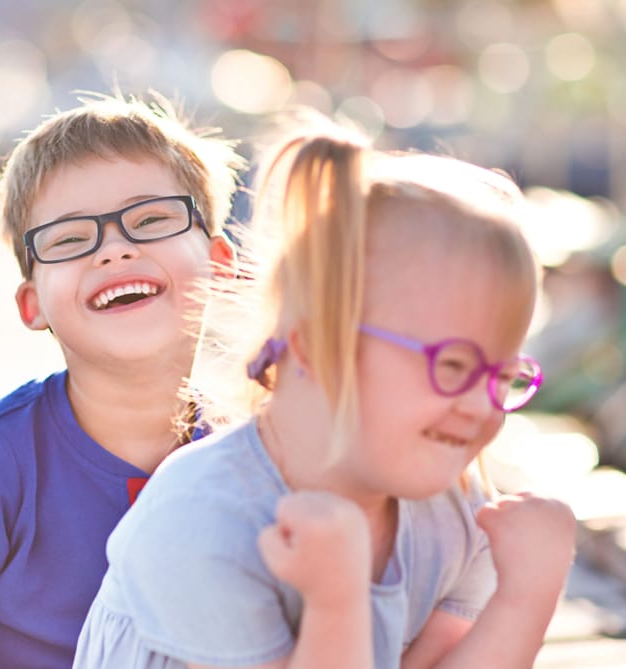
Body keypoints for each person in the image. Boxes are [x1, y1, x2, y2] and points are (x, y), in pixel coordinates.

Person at [72, 116, 577, 669]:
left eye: (503, 377)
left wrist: (526, 594)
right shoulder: (203, 519)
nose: (483, 406)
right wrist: (336, 604)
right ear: (316, 347)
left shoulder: (453, 511)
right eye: (452, 365)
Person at [0, 92, 243, 669]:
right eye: (71, 239)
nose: (116, 249)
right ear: (34, 306)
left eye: (151, 219)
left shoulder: (250, 455)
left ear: (221, 266)